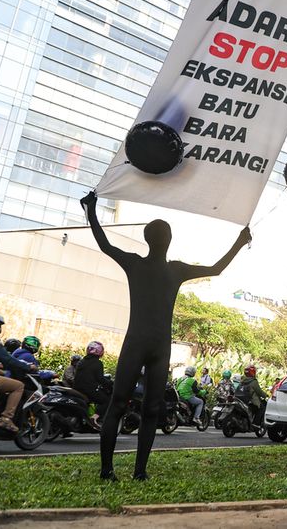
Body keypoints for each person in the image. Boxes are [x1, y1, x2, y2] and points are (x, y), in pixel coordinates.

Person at [81, 190, 250, 481]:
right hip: (160, 346)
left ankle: (109, 470)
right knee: (149, 410)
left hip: (136, 342)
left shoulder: (135, 263)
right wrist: (240, 240)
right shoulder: (176, 270)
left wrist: (91, 210)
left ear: (148, 240)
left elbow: (104, 244)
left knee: (119, 405)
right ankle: (138, 472)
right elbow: (217, 269)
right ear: (169, 241)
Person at [74, 341, 112, 422]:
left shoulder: (82, 361)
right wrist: (110, 383)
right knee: (106, 401)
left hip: (76, 388)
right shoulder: (98, 363)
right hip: (88, 389)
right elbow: (100, 379)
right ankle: (94, 418)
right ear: (100, 351)